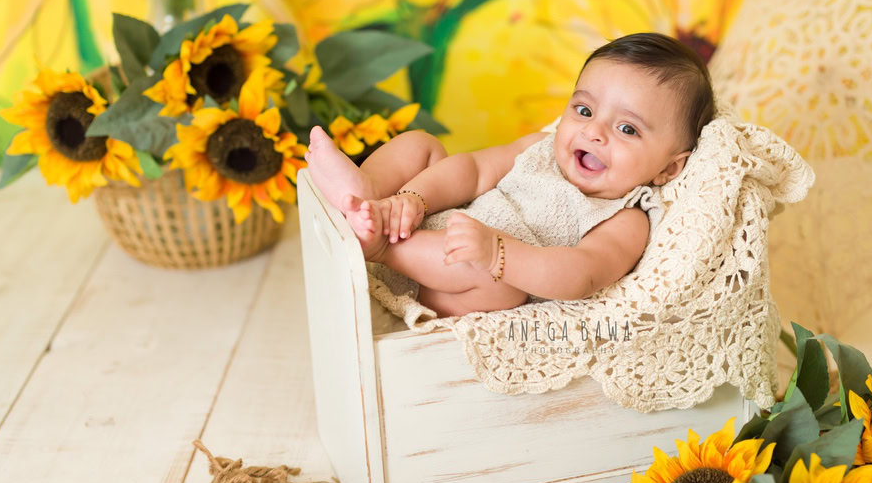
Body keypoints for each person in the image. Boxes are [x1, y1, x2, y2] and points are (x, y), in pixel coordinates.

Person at [305, 32, 716, 318]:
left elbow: (581, 273)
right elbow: (473, 170)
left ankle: (377, 250)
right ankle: (368, 195)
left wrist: (497, 254)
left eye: (627, 129)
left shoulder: (626, 218)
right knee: (424, 145)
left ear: (668, 168)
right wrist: (413, 199)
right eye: (585, 111)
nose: (593, 132)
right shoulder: (539, 147)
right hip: (426, 218)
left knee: (503, 289)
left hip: (453, 276)